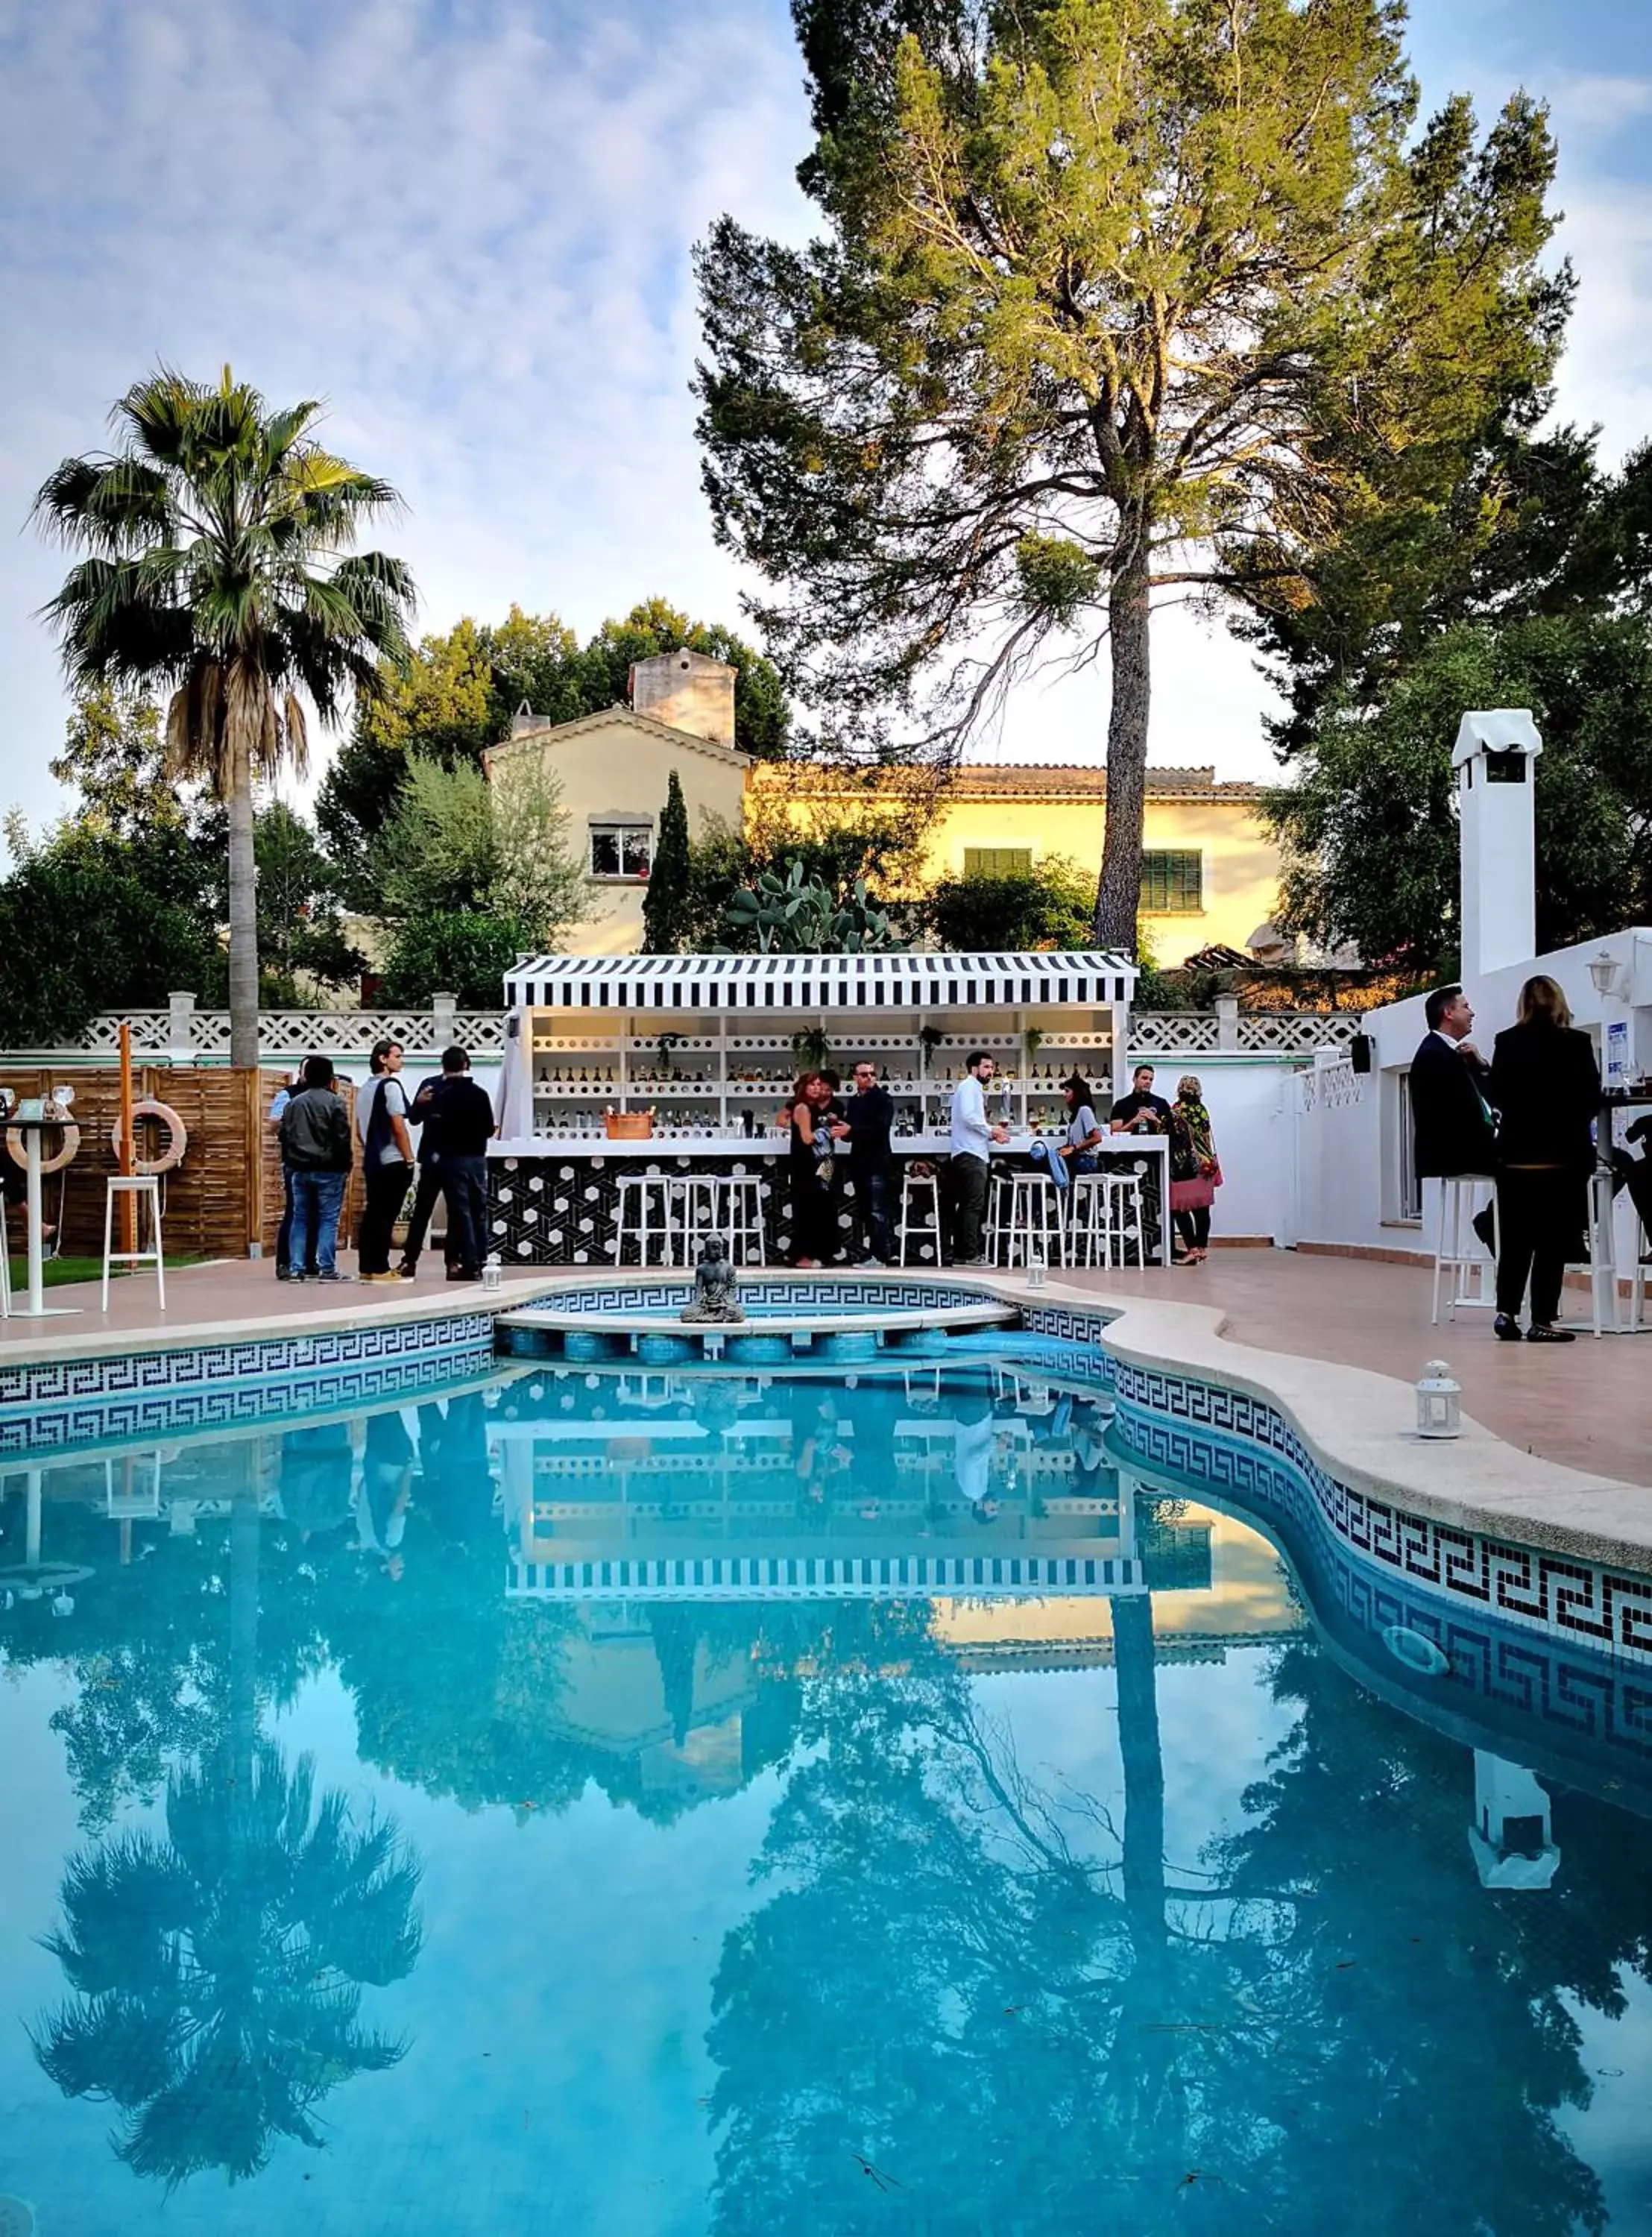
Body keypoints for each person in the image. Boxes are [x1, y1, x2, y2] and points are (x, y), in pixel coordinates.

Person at [1487, 975, 1602, 1344]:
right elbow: (1590, 1097)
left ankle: (1506, 1312)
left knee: (1516, 1239)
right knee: (1552, 1241)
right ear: (1559, 1003)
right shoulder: (1577, 1042)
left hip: (1515, 1158)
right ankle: (1543, 1319)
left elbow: (1498, 1096)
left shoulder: (1506, 1042)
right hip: (1562, 1159)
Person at [1410, 984, 1497, 1250]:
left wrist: (1481, 1065)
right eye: (1466, 1007)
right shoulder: (1435, 1056)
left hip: (1462, 1147)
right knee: (1526, 1164)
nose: (1472, 1013)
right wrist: (1494, 1136)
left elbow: (1486, 1099)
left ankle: (1494, 1223)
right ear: (1448, 1013)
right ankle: (1494, 1224)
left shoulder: (1451, 1053)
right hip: (1454, 1153)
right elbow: (1455, 1116)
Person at [398, 1045, 496, 1283]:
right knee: (437, 1210)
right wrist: (420, 1103)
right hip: (447, 1158)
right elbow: (414, 1118)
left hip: (441, 1156)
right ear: (466, 1065)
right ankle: (425, 1260)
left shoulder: (441, 1089)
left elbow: (416, 1119)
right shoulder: (443, 1088)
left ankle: (436, 1261)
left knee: (443, 1211)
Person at [279, 1055, 353, 1281]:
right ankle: (326, 1268)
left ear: (306, 1076)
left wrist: (292, 1162)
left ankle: (296, 1268)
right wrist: (346, 1165)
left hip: (299, 1169)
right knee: (328, 1219)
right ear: (330, 1078)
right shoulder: (335, 1102)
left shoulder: (294, 1104)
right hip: (330, 1169)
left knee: (299, 1218)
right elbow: (342, 1138)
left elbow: (285, 1136)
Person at [355, 1037, 414, 1284]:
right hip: (392, 1160)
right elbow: (398, 1125)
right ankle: (381, 1268)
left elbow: (359, 1129)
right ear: (383, 1059)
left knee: (373, 1214)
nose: (401, 1061)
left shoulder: (365, 1089)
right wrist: (409, 1157)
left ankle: (367, 1268)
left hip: (373, 1160)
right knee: (386, 1215)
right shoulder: (390, 1086)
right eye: (397, 1056)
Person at [948, 1051, 1009, 1265]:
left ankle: (960, 1255)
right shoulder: (970, 1087)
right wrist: (992, 1131)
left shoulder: (972, 1088)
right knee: (973, 1206)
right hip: (971, 1155)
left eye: (992, 1068)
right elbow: (969, 1117)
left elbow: (972, 1123)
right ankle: (972, 1255)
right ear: (974, 1068)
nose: (990, 1072)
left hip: (968, 1152)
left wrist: (992, 1135)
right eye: (986, 1067)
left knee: (966, 1206)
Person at [836, 1059, 896, 1265]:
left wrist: (850, 1131)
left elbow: (880, 1130)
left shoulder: (883, 1100)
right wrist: (841, 1129)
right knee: (866, 1210)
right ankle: (873, 1254)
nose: (869, 1077)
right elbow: (850, 1134)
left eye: (872, 1073)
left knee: (877, 1211)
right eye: (864, 1074)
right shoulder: (854, 1101)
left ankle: (880, 1256)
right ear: (855, 1078)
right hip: (859, 1162)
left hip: (877, 1162)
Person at [1168, 1075, 1223, 1262]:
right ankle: (1201, 1248)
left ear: (1179, 1090)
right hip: (1205, 1164)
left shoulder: (1177, 1110)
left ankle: (1191, 1249)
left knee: (1179, 1208)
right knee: (1202, 1209)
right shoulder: (1202, 1110)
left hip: (1185, 1165)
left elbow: (1169, 1133)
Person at [788, 1072, 838, 1267]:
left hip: (818, 1165)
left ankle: (809, 1253)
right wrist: (826, 1132)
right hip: (806, 1166)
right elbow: (807, 1138)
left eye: (819, 1084)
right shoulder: (802, 1108)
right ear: (804, 1088)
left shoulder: (812, 1108)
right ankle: (804, 1257)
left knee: (818, 1208)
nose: (817, 1088)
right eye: (812, 1085)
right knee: (807, 1209)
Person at [1030, 1075, 1104, 1195]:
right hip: (1079, 1159)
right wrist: (1064, 1148)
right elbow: (1074, 1144)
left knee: (1042, 1165)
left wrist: (1073, 1148)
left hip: (1086, 1161)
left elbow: (1097, 1137)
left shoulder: (1085, 1110)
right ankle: (1058, 1192)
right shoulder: (1075, 1115)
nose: (1064, 1094)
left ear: (1077, 1093)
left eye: (1067, 1091)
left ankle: (1057, 1193)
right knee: (1044, 1164)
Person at [268, 1068, 306, 1280]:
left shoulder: (327, 1095)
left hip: (318, 1163)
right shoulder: (288, 1094)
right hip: (293, 1160)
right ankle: (284, 1262)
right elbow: (273, 1123)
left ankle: (307, 1262)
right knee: (293, 1211)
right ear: (300, 1072)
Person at [1109, 1065, 1172, 1134]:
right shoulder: (1121, 1105)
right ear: (1134, 1079)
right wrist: (1133, 1122)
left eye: (1151, 1079)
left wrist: (1155, 1120)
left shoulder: (1161, 1103)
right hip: (1129, 1144)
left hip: (1157, 1144)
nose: (1148, 1082)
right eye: (1144, 1078)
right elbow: (1115, 1133)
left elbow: (1171, 1131)